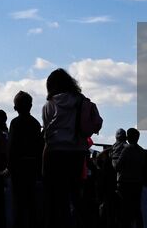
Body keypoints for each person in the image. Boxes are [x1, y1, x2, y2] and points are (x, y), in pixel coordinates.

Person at [41, 67, 104, 228]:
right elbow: (96, 123)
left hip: (54, 153)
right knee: (76, 194)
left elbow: (46, 134)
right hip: (77, 153)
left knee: (56, 197)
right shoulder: (81, 101)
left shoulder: (49, 105)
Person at [10, 91, 44, 228]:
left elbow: (11, 147)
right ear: (30, 106)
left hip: (18, 167)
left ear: (15, 107)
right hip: (32, 167)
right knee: (32, 204)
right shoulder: (35, 123)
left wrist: (10, 167)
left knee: (17, 204)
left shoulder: (15, 123)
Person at [113, 128, 147, 228]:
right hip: (137, 184)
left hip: (125, 184)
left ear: (128, 137)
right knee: (137, 210)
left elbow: (117, 166)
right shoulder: (142, 151)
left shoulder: (126, 150)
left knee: (125, 211)